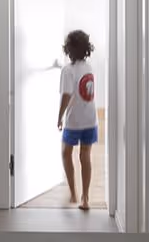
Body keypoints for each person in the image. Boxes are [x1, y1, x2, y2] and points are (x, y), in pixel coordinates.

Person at [57, 29, 97, 211]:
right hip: (90, 119)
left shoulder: (67, 70)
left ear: (68, 49)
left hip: (73, 121)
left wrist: (59, 117)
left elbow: (66, 95)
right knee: (85, 156)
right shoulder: (89, 67)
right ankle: (85, 198)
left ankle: (73, 192)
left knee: (66, 153)